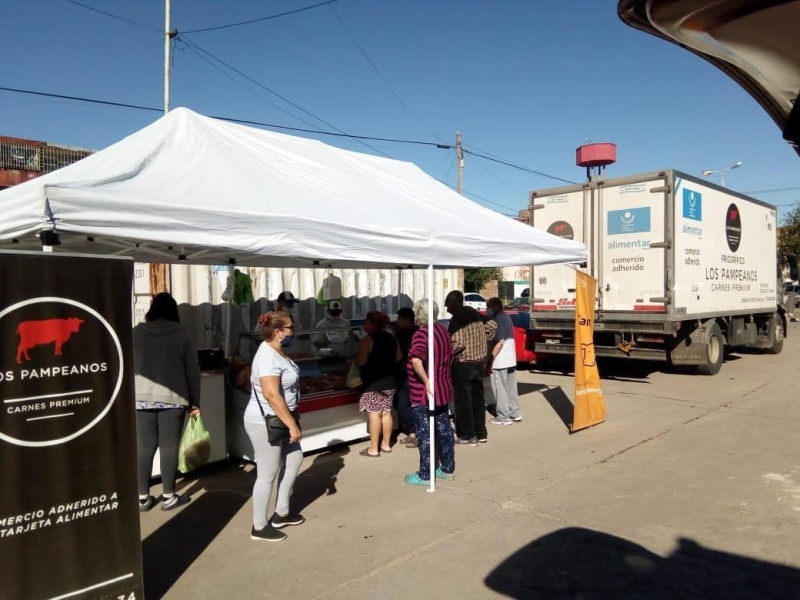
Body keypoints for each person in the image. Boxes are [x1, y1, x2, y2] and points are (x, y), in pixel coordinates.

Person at [133, 292, 200, 512]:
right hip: (173, 398)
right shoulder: (182, 333)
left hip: (140, 398)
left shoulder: (136, 332)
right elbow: (192, 370)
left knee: (144, 446)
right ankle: (169, 496)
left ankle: (142, 498)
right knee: (169, 446)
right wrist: (195, 401)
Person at [243, 310, 305, 542]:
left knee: (294, 458)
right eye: (291, 328)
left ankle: (282, 512)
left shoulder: (277, 352)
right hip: (266, 421)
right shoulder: (267, 357)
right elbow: (271, 394)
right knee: (267, 473)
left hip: (282, 418)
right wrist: (291, 425)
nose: (293, 332)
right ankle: (259, 526)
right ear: (278, 332)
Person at [404, 299, 456, 485]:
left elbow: (416, 359)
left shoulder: (421, 334)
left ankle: (425, 474)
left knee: (424, 432)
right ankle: (447, 468)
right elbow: (451, 355)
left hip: (424, 391)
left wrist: (426, 381)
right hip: (442, 386)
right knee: (444, 428)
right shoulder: (442, 330)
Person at [445, 290, 489, 446]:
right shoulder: (474, 313)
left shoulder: (458, 317)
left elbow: (458, 342)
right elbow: (492, 325)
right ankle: (481, 432)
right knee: (478, 399)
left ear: (455, 302)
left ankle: (468, 435)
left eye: (447, 304)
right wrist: (482, 340)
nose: (446, 308)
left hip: (464, 363)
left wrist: (446, 353)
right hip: (479, 362)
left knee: (464, 401)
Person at [355, 311, 401, 457]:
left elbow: (361, 361)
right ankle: (386, 445)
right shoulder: (392, 338)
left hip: (372, 383)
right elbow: (398, 357)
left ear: (371, 323)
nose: (364, 324)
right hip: (390, 381)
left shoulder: (368, 340)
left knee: (374, 415)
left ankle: (373, 449)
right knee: (386, 412)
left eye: (365, 321)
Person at [485, 297, 522, 426]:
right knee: (511, 388)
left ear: (495, 306)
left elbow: (499, 342)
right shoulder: (506, 316)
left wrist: (490, 360)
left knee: (500, 389)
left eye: (488, 306)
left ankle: (503, 416)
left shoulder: (498, 319)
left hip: (500, 360)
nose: (487, 309)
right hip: (510, 358)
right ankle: (514, 412)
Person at [392, 307, 419, 447]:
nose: (398, 322)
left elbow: (408, 356)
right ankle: (413, 432)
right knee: (402, 404)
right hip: (406, 375)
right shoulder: (407, 333)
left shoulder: (410, 334)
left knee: (404, 404)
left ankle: (418, 431)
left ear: (407, 320)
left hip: (408, 375)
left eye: (400, 319)